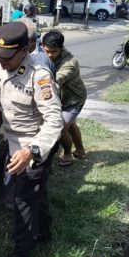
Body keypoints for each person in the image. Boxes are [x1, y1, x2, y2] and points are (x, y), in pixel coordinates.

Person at [0, 21, 63, 257]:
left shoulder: (40, 77)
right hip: (12, 138)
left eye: (8, 57)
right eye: (0, 56)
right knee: (33, 191)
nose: (3, 62)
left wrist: (31, 151)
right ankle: (44, 231)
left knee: (23, 199)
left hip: (36, 143)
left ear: (24, 51)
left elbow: (54, 121)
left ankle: (21, 254)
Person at [41, 30, 87, 166]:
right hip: (58, 99)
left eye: (53, 52)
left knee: (60, 128)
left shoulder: (70, 63)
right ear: (42, 45)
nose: (49, 55)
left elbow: (54, 81)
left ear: (61, 48)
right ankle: (80, 150)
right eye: (47, 51)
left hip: (73, 100)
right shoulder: (40, 53)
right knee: (70, 124)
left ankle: (67, 153)